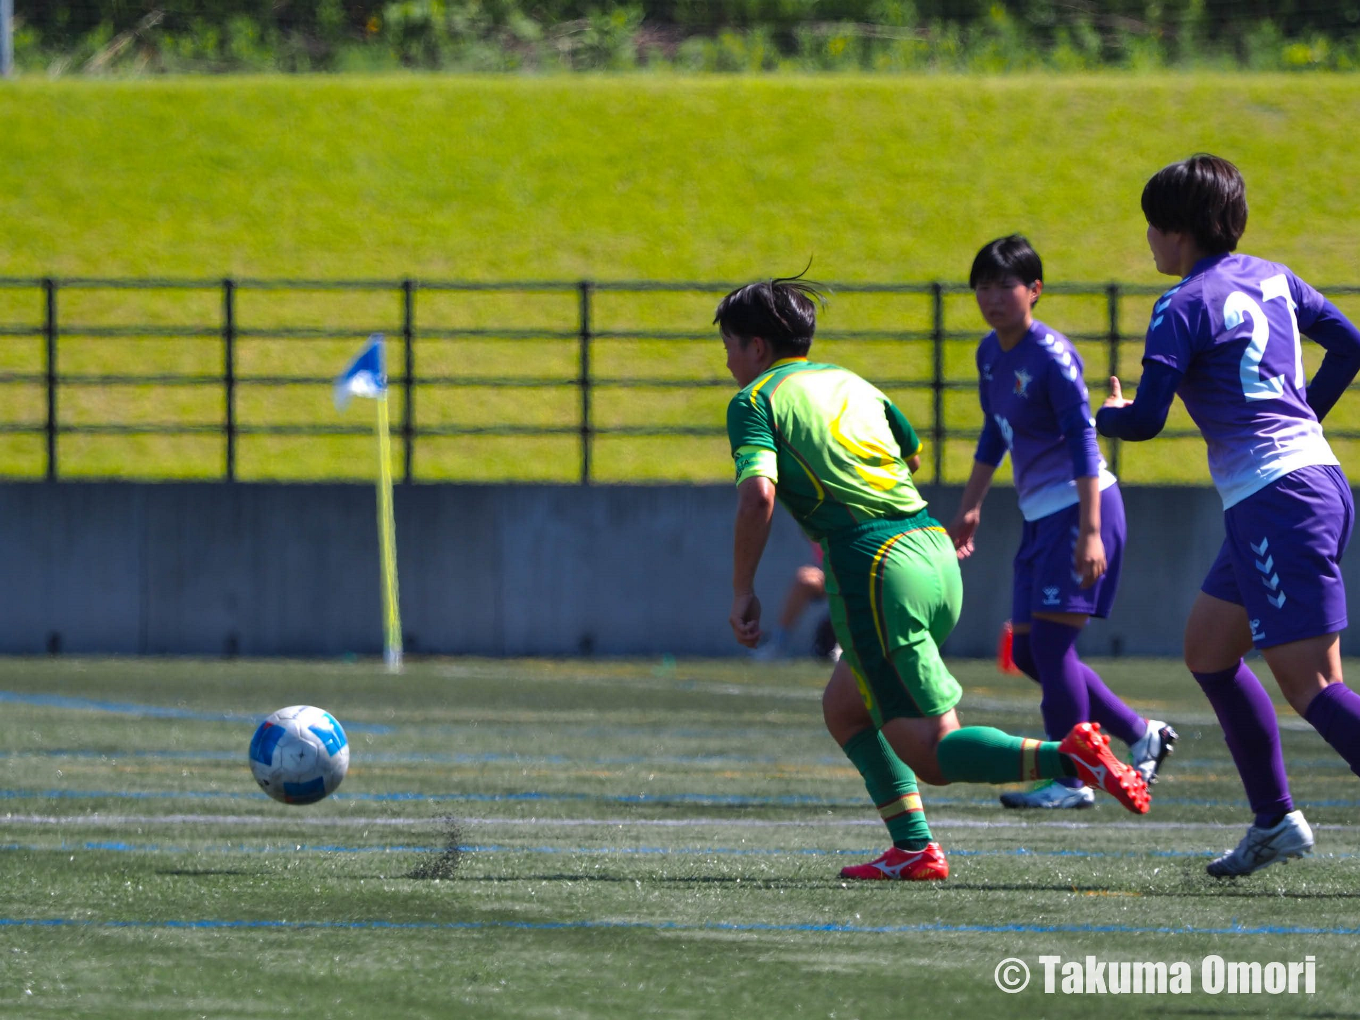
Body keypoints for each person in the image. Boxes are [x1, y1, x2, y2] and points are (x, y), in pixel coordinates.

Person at [719, 274, 1151, 882]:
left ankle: (1069, 758)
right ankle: (915, 848)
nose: (729, 363)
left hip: (876, 570)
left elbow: (758, 496)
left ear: (757, 347)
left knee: (933, 753)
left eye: (730, 348)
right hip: (933, 552)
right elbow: (911, 452)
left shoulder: (754, 401)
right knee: (844, 707)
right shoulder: (850, 382)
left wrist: (743, 590)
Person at [1096, 153, 1360, 876]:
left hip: (1277, 500)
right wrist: (1304, 416)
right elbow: (1350, 345)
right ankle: (1274, 820)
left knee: (1313, 688)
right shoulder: (1274, 276)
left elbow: (1146, 421)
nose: (1148, 239)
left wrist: (1106, 415)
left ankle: (1275, 818)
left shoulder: (1180, 304)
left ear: (1177, 230)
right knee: (1209, 652)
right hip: (1303, 484)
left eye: (1152, 225)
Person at [948, 236, 1178, 810]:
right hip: (1039, 517)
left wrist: (1092, 531)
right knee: (1030, 653)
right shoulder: (989, 353)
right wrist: (972, 504)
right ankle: (1141, 733)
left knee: (1051, 646)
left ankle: (1072, 779)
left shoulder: (1052, 355)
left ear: (1035, 290)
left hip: (1079, 510)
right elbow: (995, 429)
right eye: (982, 286)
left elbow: (1082, 438)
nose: (992, 298)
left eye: (1005, 286)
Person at [752, 542, 843, 662]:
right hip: (835, 577)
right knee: (805, 578)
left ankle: (844, 642)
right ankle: (778, 643)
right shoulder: (821, 536)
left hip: (858, 579)